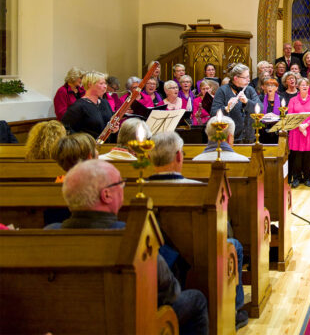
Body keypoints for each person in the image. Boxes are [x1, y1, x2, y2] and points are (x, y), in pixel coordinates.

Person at [47, 159, 209, 334]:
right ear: (106, 195)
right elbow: (170, 291)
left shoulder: (47, 234)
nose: (123, 188)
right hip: (127, 324)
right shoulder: (131, 236)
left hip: (63, 324)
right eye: (120, 183)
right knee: (196, 299)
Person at [147, 134, 248, 328]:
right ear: (179, 157)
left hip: (154, 267)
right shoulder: (200, 191)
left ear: (149, 158)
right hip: (202, 255)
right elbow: (223, 231)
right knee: (234, 246)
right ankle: (233, 310)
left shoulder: (135, 192)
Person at [211, 63, 259, 143]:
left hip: (249, 137)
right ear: (236, 78)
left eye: (248, 77)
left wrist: (247, 102)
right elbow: (213, 113)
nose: (248, 80)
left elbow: (260, 108)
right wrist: (227, 108)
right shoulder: (222, 90)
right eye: (245, 77)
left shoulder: (250, 90)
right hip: (230, 139)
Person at [61, 71, 116, 140]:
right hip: (89, 147)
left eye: (105, 83)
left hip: (107, 145)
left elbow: (110, 123)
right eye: (101, 83)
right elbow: (66, 129)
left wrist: (115, 129)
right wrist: (84, 141)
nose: (105, 86)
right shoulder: (78, 106)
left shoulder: (105, 103)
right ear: (90, 84)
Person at [287, 77, 310, 188]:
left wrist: (306, 125)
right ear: (298, 87)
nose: (304, 86)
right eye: (302, 85)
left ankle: (307, 178)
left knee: (308, 156)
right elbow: (290, 115)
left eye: (306, 85)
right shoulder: (293, 100)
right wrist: (300, 126)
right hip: (296, 131)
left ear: (309, 87)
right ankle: (296, 178)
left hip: (309, 131)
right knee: (297, 156)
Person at [257, 77, 283, 145]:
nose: (270, 87)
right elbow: (256, 112)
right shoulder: (260, 98)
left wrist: (276, 116)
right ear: (265, 87)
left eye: (272, 86)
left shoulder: (281, 99)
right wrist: (264, 116)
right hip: (263, 130)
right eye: (268, 85)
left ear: (276, 88)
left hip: (276, 130)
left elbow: (285, 114)